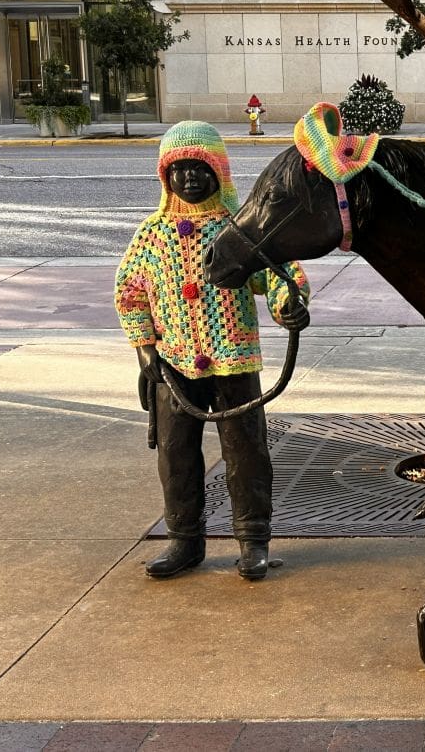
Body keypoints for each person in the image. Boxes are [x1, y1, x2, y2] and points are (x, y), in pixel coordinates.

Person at [115, 121, 310, 580]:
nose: (189, 179)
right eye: (178, 170)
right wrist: (146, 350)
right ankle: (185, 538)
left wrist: (288, 304)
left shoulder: (239, 229)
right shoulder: (151, 235)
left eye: (199, 169)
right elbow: (130, 292)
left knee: (246, 450)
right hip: (173, 364)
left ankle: (252, 538)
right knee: (176, 452)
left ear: (219, 174)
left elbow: (279, 273)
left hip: (233, 359)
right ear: (165, 177)